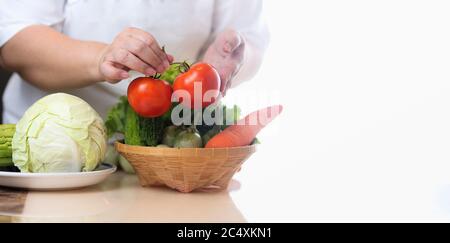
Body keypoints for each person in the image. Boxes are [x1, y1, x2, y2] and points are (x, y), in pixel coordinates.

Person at [0, 0, 269, 123]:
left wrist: (231, 62)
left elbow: (250, 38)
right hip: (54, 147)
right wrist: (100, 59)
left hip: (166, 149)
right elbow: (14, 42)